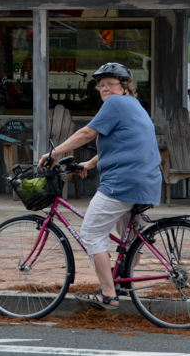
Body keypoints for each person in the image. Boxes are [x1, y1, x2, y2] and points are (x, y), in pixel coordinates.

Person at [37, 62, 161, 312]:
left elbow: (87, 133)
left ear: (125, 86)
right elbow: (124, 141)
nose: (104, 89)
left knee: (92, 233)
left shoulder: (115, 103)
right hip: (145, 181)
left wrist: (54, 153)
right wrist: (92, 162)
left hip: (122, 183)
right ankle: (122, 282)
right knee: (131, 239)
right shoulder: (135, 106)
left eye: (110, 84)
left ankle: (108, 294)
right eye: (101, 85)